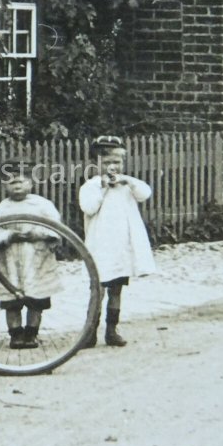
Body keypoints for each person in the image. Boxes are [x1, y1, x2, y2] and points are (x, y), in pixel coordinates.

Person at [78, 136, 156, 348]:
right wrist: (102, 188)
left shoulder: (127, 185)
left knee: (116, 290)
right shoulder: (91, 186)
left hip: (121, 248)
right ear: (96, 164)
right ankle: (89, 331)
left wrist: (129, 181)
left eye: (117, 162)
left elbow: (145, 193)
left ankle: (112, 330)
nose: (112, 167)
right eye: (107, 163)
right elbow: (89, 207)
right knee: (98, 290)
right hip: (100, 248)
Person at [0, 158, 63, 350]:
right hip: (10, 261)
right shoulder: (1, 209)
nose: (17, 185)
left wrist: (40, 234)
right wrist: (8, 236)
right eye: (11, 182)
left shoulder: (42, 206)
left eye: (22, 181)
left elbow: (56, 228)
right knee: (11, 301)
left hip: (37, 260)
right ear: (4, 185)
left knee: (36, 300)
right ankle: (15, 334)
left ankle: (31, 333)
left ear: (31, 183)